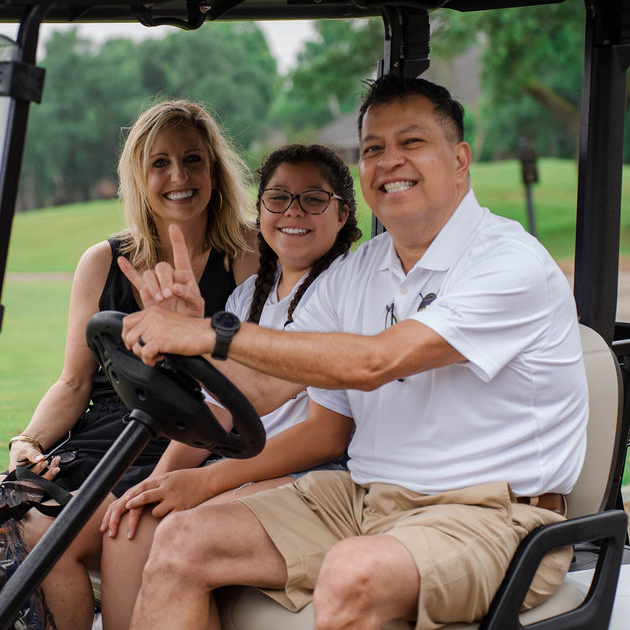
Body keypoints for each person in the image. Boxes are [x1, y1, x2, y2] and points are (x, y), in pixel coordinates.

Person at [121, 75, 588, 630]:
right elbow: (265, 388)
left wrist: (214, 334)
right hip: (366, 498)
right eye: (372, 149)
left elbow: (374, 362)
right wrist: (190, 341)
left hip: (490, 516)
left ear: (460, 159)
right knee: (182, 538)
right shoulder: (361, 270)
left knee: (352, 572)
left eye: (411, 142)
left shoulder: (508, 263)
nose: (389, 161)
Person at [7, 99, 259, 630]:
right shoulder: (102, 262)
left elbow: (251, 385)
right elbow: (74, 381)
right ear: (139, 178)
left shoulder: (247, 258)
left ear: (214, 169)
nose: (178, 177)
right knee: (12, 515)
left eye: (192, 160)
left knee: (47, 534)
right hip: (103, 437)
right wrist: (26, 441)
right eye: (160, 163)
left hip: (186, 441)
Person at [98, 144, 360, 629]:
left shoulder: (345, 289)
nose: (293, 212)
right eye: (278, 198)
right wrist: (158, 481)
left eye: (313, 199)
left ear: (342, 214)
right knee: (128, 527)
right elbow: (217, 411)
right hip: (247, 467)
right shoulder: (247, 298)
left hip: (314, 470)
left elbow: (327, 436)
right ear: (260, 210)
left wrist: (205, 481)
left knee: (177, 531)